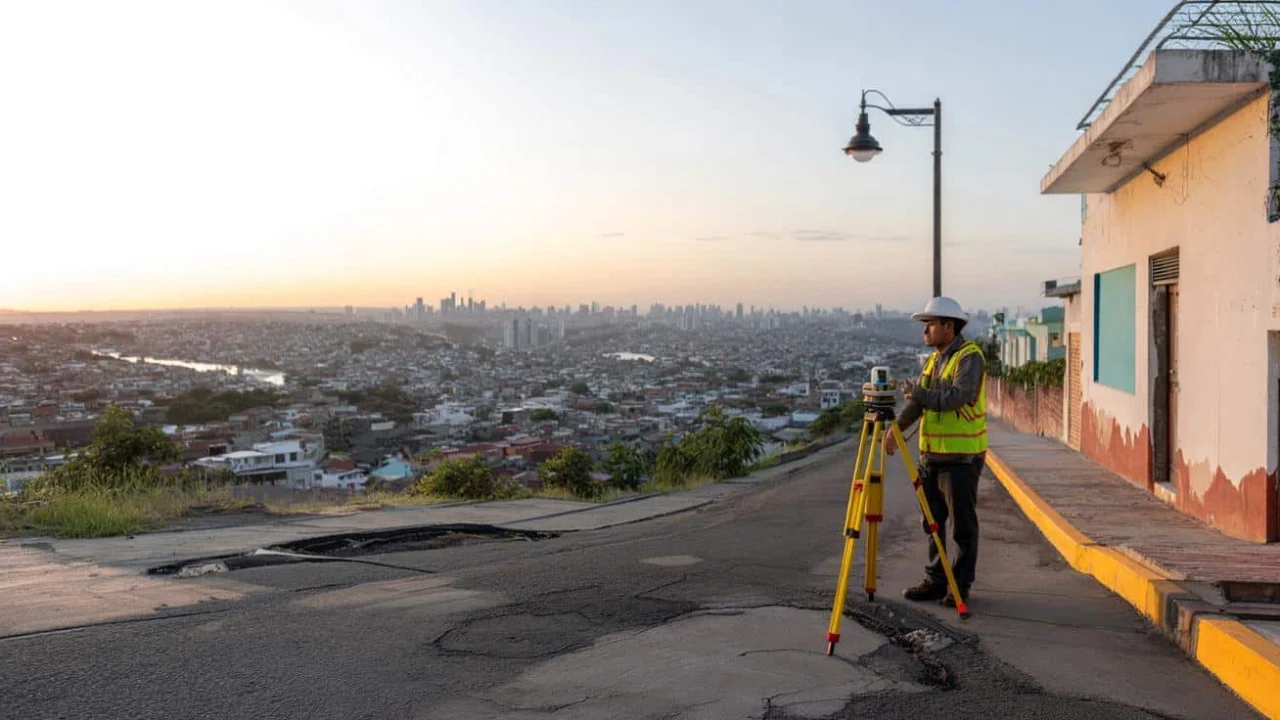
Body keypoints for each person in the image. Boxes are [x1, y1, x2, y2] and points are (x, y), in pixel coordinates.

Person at [884, 296, 987, 608]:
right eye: (925, 325)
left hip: (961, 458)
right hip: (931, 457)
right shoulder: (932, 361)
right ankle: (936, 580)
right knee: (931, 523)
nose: (925, 331)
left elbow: (958, 397)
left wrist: (918, 392)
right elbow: (918, 403)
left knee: (962, 527)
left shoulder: (970, 358)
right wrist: (897, 428)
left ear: (949, 326)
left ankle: (960, 586)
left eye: (930, 325)